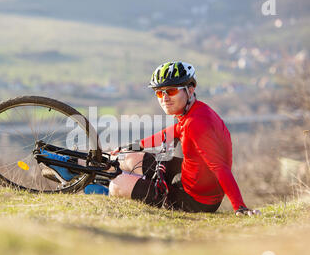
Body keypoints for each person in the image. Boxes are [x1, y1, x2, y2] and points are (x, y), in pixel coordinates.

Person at [109, 61, 261, 216]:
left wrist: (239, 206)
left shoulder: (196, 123)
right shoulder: (194, 111)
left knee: (116, 185)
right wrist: (135, 146)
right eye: (160, 93)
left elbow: (219, 168)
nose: (165, 98)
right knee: (126, 157)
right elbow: (174, 131)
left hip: (195, 201)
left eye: (172, 91)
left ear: (190, 89)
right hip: (187, 176)